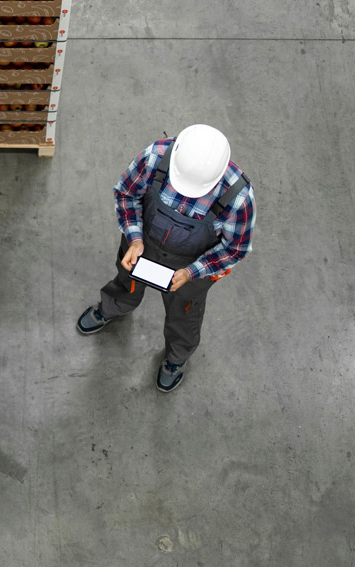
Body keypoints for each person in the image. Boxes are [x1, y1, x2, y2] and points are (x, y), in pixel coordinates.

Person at [76, 124, 255, 393]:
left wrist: (192, 272)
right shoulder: (155, 157)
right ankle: (113, 306)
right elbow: (126, 194)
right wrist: (135, 238)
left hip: (191, 267)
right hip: (142, 244)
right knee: (126, 281)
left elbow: (234, 249)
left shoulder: (239, 198)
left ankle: (176, 358)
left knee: (185, 312)